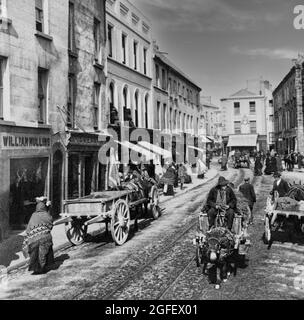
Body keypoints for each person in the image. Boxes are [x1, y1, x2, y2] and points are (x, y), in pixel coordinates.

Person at [22, 197, 54, 275]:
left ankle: (35, 268)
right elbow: (50, 226)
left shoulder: (33, 215)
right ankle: (44, 266)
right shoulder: (47, 215)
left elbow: (29, 227)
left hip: (33, 238)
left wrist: (30, 235)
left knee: (34, 252)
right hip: (45, 238)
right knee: (44, 250)